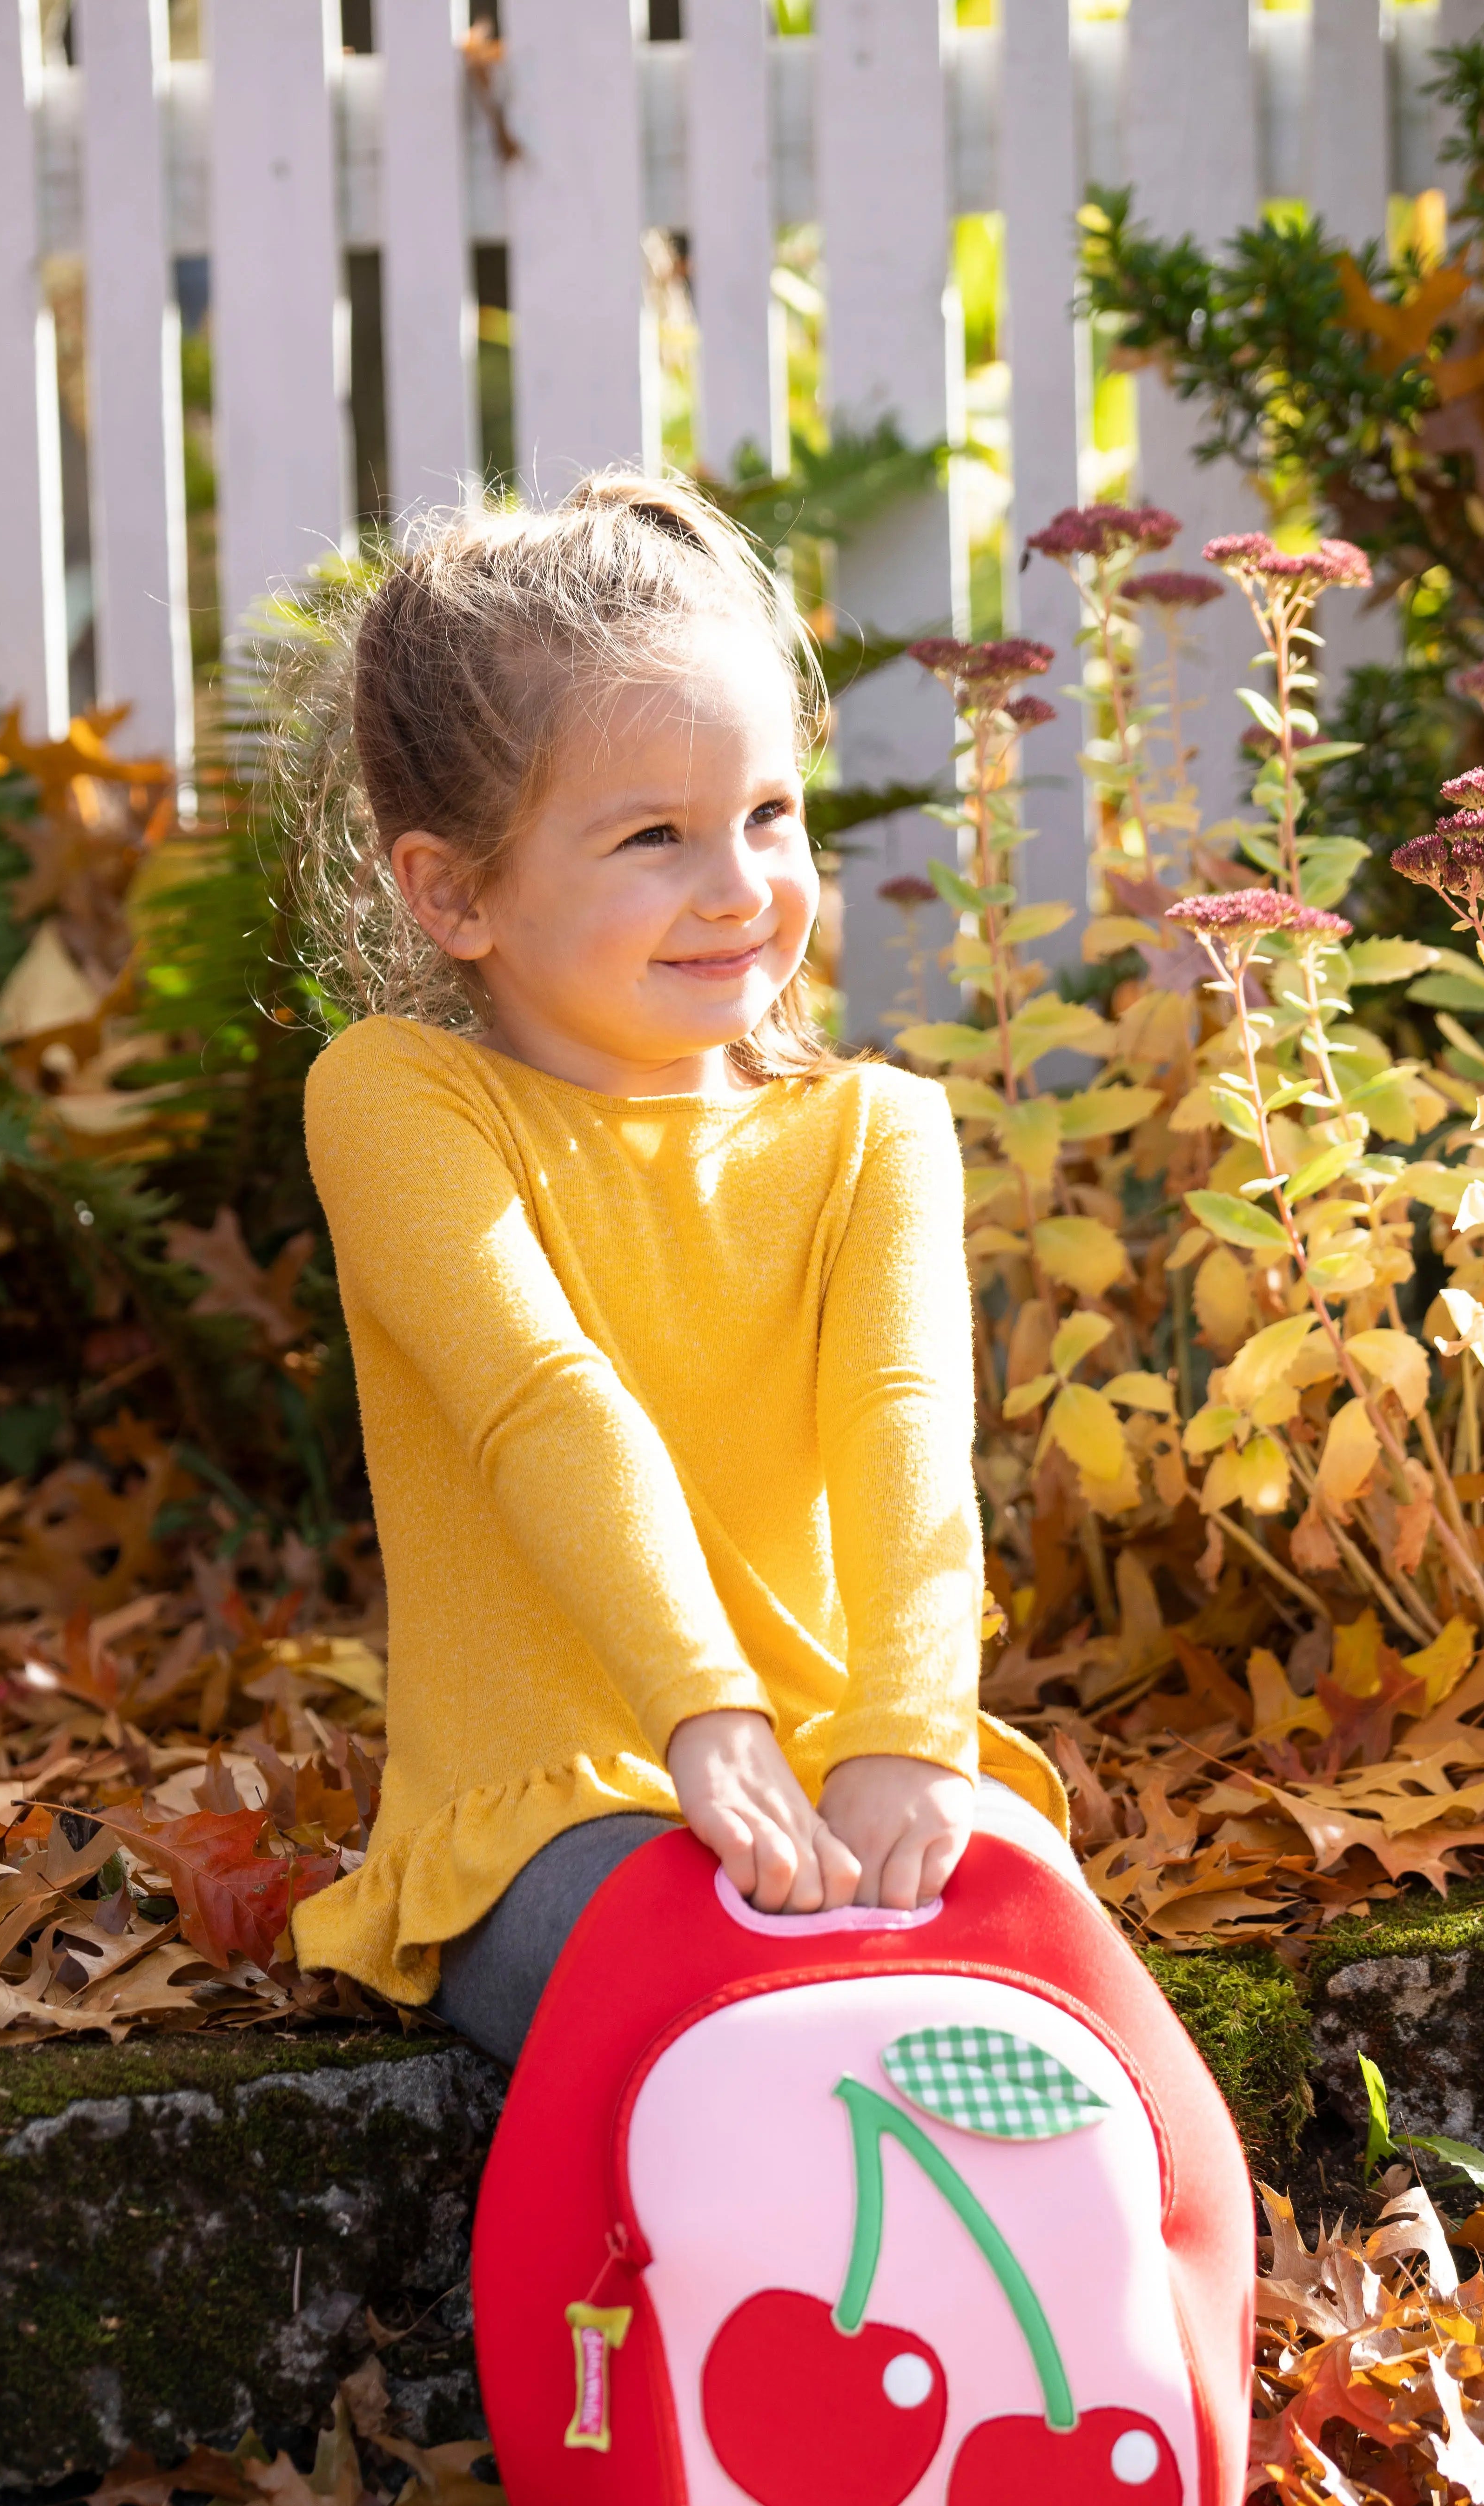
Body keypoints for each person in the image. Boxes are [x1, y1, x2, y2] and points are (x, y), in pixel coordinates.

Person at [283, 472, 1071, 2066]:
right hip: (559, 1816)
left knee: (1043, 1955)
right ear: (453, 891)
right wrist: (705, 1716)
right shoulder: (398, 1100)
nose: (738, 888)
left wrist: (912, 1735)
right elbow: (544, 1401)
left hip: (853, 1771)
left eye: (769, 814)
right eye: (655, 837)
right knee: (739, 2002)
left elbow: (907, 1441)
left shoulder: (877, 1132)